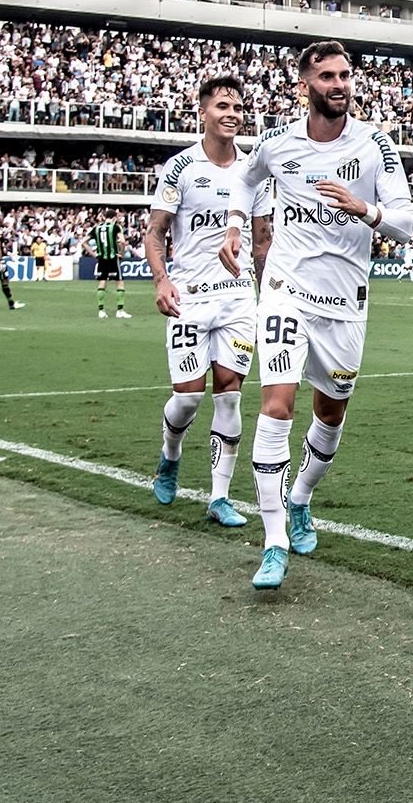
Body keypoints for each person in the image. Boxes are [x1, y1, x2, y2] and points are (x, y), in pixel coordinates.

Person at [219, 40, 413, 590]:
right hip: (286, 290)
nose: (339, 84)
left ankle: (301, 497)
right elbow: (243, 176)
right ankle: (274, 539)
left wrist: (365, 210)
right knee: (276, 404)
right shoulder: (278, 143)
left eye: (345, 75)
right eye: (327, 76)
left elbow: (405, 224)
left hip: (345, 301)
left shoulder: (375, 145)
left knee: (330, 414)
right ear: (305, 84)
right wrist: (236, 222)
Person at [145, 75, 265, 527]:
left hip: (237, 297)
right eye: (221, 105)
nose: (231, 113)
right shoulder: (180, 168)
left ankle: (219, 498)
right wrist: (161, 280)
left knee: (229, 396)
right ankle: (170, 454)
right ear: (202, 112)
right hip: (190, 296)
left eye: (237, 105)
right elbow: (155, 232)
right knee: (189, 398)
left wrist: (270, 290)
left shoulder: (254, 171)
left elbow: (263, 238)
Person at [93, 210, 130, 318]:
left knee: (102, 282)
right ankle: (120, 310)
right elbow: (122, 241)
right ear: (114, 217)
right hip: (113, 258)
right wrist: (121, 253)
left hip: (102, 259)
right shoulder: (116, 227)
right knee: (119, 283)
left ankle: (101, 311)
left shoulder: (97, 228)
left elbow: (84, 241)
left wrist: (93, 254)